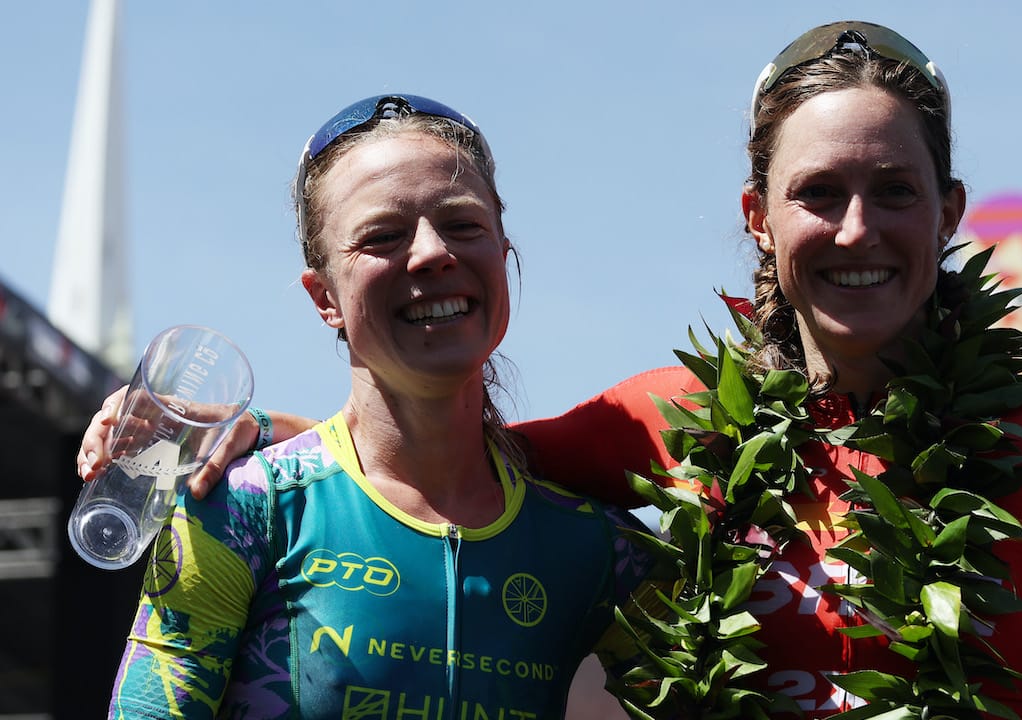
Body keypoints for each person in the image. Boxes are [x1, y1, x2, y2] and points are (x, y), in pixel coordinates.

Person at [80, 23, 1022, 720]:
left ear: (951, 212)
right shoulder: (669, 424)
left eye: (895, 191)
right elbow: (436, 456)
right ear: (758, 218)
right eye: (817, 193)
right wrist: (232, 439)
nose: (856, 228)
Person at [95, 93, 657, 719]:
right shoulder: (242, 509)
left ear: (503, 255)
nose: (432, 252)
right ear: (324, 298)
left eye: (463, 225)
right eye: (383, 236)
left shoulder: (604, 550)